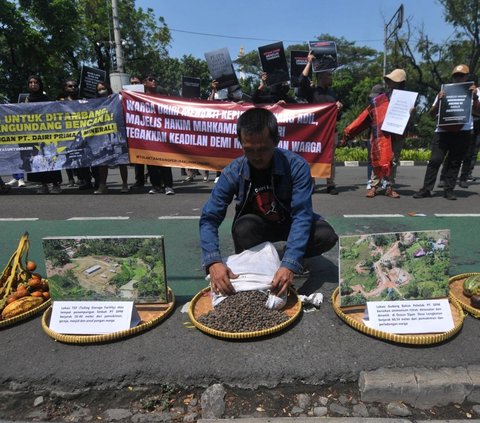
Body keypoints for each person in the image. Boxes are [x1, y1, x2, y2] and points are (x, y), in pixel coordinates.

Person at [199, 108, 338, 297]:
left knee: (326, 235)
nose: (256, 156)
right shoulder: (233, 171)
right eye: (249, 150)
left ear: (276, 141)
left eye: (263, 149)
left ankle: (292, 258)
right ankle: (258, 262)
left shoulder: (297, 167)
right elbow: (209, 218)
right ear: (240, 143)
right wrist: (213, 262)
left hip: (290, 223)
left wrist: (290, 264)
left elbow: (302, 217)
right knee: (244, 228)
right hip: (258, 227)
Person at [413, 64, 480, 200]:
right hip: (443, 131)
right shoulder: (445, 91)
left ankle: (449, 190)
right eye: (455, 76)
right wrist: (439, 102)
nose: (458, 78)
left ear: (467, 77)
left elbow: (478, 112)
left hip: (463, 131)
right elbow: (431, 114)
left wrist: (475, 98)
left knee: (455, 161)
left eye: (461, 76)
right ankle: (426, 189)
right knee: (435, 160)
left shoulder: (475, 92)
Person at [298, 52, 343, 195]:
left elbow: (337, 117)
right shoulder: (312, 92)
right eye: (329, 75)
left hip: (330, 132)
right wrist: (309, 63)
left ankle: (330, 184)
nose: (331, 77)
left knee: (330, 159)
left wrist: (339, 109)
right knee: (311, 157)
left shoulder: (333, 93)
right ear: (321, 77)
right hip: (315, 133)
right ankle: (311, 183)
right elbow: (302, 81)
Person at [343, 83, 386, 190]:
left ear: (382, 95)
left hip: (385, 137)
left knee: (386, 160)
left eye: (376, 96)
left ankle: (385, 181)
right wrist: (349, 132)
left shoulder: (388, 106)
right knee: (371, 160)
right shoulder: (371, 107)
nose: (374, 98)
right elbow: (360, 121)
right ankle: (370, 181)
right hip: (373, 137)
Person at [139, 73, 175, 195]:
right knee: (151, 160)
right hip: (147, 132)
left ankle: (168, 185)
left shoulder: (162, 97)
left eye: (155, 79)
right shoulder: (140, 97)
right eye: (150, 79)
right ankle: (156, 185)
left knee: (165, 159)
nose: (154, 81)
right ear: (144, 82)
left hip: (162, 132)